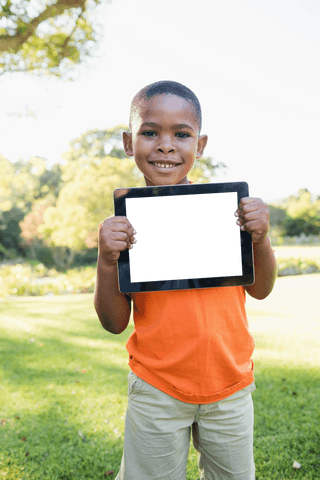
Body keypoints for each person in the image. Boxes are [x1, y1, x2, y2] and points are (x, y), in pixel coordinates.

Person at [94, 80, 277, 480]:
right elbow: (113, 322)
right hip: (156, 389)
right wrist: (106, 259)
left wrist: (260, 237)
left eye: (181, 134)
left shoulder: (228, 213)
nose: (165, 145)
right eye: (150, 132)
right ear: (129, 142)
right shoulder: (123, 227)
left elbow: (261, 289)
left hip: (229, 386)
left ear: (201, 144)